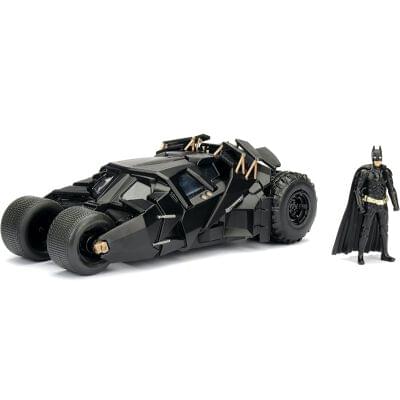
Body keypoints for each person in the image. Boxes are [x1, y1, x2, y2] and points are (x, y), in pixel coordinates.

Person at [332, 146, 399, 264]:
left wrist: (395, 204)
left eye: (379, 158)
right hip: (370, 205)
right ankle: (360, 255)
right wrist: (360, 206)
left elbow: (391, 189)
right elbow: (357, 190)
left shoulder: (386, 172)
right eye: (376, 158)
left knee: (384, 230)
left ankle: (385, 254)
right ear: (372, 158)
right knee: (365, 230)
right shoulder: (365, 172)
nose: (378, 160)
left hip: (383, 206)